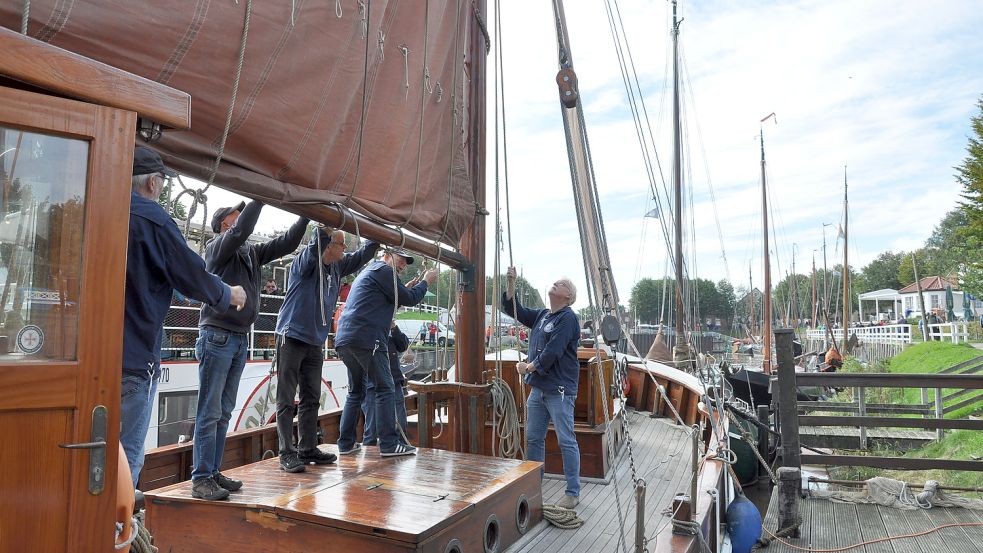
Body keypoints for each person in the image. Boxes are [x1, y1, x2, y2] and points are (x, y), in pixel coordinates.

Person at [122, 147, 246, 490]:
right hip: (133, 360)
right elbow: (191, 276)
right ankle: (118, 529)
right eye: (162, 182)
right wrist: (228, 294)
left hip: (93, 360)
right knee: (127, 455)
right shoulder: (154, 219)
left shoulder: (102, 207)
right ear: (152, 182)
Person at [191, 199, 308, 500]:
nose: (240, 218)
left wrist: (304, 217)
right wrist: (261, 196)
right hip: (218, 335)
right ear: (224, 226)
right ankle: (201, 477)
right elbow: (242, 231)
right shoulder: (218, 249)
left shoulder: (250, 254)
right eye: (235, 216)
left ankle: (212, 472)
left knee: (223, 411)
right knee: (211, 410)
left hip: (237, 337)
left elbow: (287, 242)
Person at [274, 227, 379, 473]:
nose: (345, 249)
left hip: (314, 341)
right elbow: (315, 245)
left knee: (311, 396)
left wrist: (376, 236)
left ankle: (307, 447)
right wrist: (324, 227)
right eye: (341, 244)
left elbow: (361, 256)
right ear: (328, 245)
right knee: (286, 398)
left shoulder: (337, 267)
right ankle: (286, 452)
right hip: (292, 337)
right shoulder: (306, 263)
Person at [335, 250, 437, 457]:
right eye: (401, 260)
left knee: (355, 391)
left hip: (346, 338)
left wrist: (401, 293)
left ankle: (345, 443)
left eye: (406, 263)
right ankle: (390, 444)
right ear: (388, 254)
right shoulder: (384, 271)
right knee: (385, 388)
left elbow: (380, 302)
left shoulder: (371, 270)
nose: (403, 266)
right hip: (367, 339)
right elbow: (410, 298)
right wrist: (426, 282)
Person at [500, 266, 581, 510]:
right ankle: (534, 485)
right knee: (534, 438)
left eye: (562, 283)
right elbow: (514, 309)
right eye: (555, 281)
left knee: (566, 440)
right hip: (538, 390)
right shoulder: (543, 315)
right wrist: (511, 283)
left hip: (559, 390)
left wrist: (529, 367)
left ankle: (572, 491)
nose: (556, 283)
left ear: (568, 296)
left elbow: (554, 351)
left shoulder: (568, 318)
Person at [361, 320, 411, 445]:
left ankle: (401, 448)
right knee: (371, 428)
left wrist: (394, 327)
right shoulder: (366, 328)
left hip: (394, 382)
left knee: (401, 423)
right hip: (372, 384)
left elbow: (403, 345)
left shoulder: (390, 332)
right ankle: (369, 456)